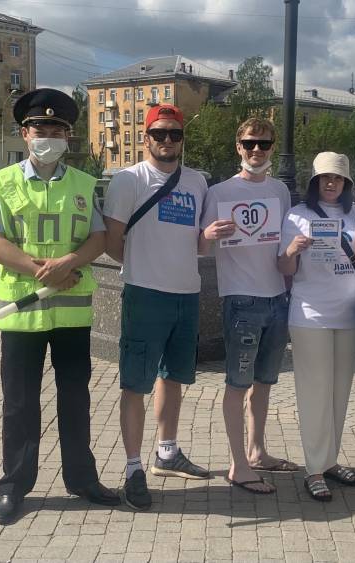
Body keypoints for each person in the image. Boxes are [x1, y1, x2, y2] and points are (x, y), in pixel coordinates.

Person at [0, 88, 119, 525]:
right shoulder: (0, 183)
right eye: (42, 128)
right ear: (25, 133)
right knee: (19, 404)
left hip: (71, 315)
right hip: (21, 312)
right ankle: (15, 486)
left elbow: (98, 238)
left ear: (68, 136)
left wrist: (71, 262)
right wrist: (39, 268)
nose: (50, 135)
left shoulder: (83, 183)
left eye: (58, 129)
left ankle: (82, 480)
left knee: (75, 400)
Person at [102, 103, 212, 511]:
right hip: (146, 293)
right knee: (135, 382)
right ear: (145, 137)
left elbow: (196, 240)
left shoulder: (198, 182)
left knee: (174, 376)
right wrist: (142, 267)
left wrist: (210, 237)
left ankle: (167, 451)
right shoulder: (129, 180)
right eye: (159, 133)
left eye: (175, 134)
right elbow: (114, 242)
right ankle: (133, 468)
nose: (167, 141)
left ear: (182, 139)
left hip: (187, 292)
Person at [200, 117, 298, 494]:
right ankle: (238, 464)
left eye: (264, 143)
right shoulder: (220, 191)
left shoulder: (280, 191)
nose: (257, 150)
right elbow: (200, 243)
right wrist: (207, 234)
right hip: (241, 299)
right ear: (238, 146)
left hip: (276, 296)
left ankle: (258, 451)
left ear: (273, 147)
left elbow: (282, 244)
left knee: (265, 382)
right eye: (249, 143)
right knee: (237, 383)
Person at [277, 152, 355, 502]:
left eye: (338, 179)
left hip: (351, 314)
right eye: (325, 178)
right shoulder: (297, 216)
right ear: (314, 182)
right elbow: (283, 268)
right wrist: (294, 250)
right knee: (314, 392)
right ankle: (313, 468)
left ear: (346, 184)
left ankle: (329, 460)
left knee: (339, 393)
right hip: (310, 313)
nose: (331, 184)